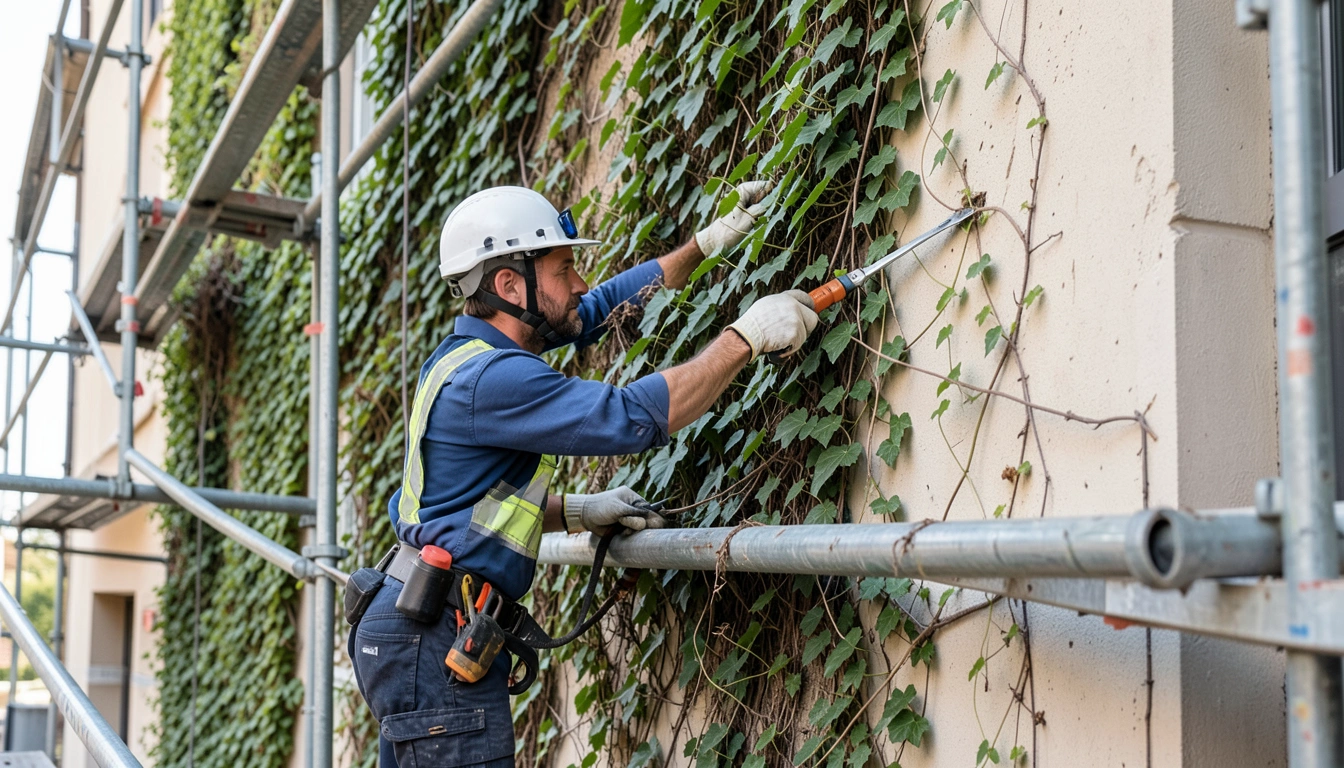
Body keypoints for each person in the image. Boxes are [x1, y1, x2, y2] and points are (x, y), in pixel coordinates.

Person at [348, 181, 819, 766]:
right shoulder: (492, 382)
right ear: (508, 285)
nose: (580, 285)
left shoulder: (461, 361)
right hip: (433, 633)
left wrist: (709, 241)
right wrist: (742, 340)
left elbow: (469, 507)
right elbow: (631, 418)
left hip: (413, 628)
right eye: (564, 268)